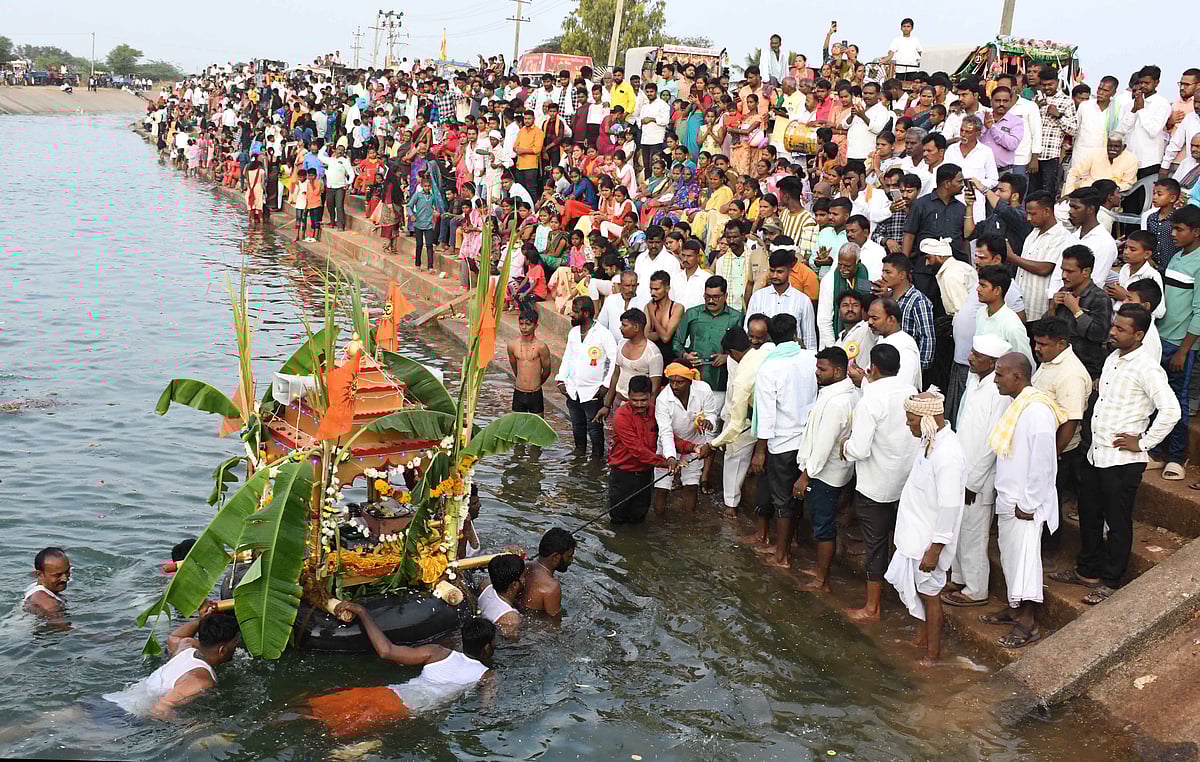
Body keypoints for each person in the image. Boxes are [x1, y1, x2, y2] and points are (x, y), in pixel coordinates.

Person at [1052, 306, 1180, 603]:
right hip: (1097, 455)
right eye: (1114, 326)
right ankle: (1088, 571)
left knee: (1117, 522)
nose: (1113, 332)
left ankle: (1111, 581)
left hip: (1123, 462)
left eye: (1121, 329)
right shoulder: (1113, 358)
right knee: (1089, 513)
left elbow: (1171, 410)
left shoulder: (1147, 367)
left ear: (1138, 335)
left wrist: (1144, 442)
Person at [981, 352, 1063, 649]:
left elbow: (1044, 463)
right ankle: (1014, 609)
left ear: (1018, 376)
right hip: (1010, 497)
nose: (995, 378)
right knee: (1010, 559)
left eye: (1000, 373)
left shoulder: (1036, 411)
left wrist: (1028, 503)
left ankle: (1027, 624)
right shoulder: (1019, 405)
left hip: (1025, 505)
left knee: (1026, 563)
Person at [307, 611, 495, 737]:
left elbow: (386, 650)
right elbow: (485, 711)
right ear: (487, 647)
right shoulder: (487, 675)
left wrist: (363, 613)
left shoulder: (437, 652)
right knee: (329, 736)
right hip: (402, 711)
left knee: (306, 710)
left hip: (386, 692)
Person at [884, 389, 966, 666]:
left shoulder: (948, 454)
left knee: (931, 596)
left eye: (912, 420)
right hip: (913, 535)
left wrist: (935, 549)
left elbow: (949, 507)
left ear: (928, 420)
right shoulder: (928, 442)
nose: (908, 424)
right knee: (919, 591)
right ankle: (920, 639)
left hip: (929, 542)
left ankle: (933, 655)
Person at [843, 343, 919, 621]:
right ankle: (903, 596)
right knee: (898, 540)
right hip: (907, 480)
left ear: (872, 369)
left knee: (875, 544)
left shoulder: (870, 401)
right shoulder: (911, 392)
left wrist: (845, 447)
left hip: (876, 484)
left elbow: (859, 449)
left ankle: (872, 607)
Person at [942, 335, 1011, 607]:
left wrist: (973, 481)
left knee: (973, 533)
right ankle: (959, 577)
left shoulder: (1000, 394)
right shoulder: (975, 380)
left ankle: (976, 589)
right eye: (972, 351)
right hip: (963, 467)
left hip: (979, 478)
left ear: (993, 363)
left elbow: (992, 443)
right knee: (958, 529)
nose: (970, 357)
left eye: (977, 355)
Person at [750, 314, 819, 568]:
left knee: (782, 501)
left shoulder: (769, 367)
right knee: (797, 497)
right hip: (807, 440)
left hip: (782, 443)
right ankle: (793, 544)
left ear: (769, 336)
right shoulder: (811, 358)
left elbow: (766, 414)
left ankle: (781, 555)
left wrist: (760, 451)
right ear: (795, 332)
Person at [103, 602, 240, 718]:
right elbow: (159, 710)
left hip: (112, 700)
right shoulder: (201, 681)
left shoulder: (187, 648)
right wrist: (195, 728)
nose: (237, 647)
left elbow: (174, 636)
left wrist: (201, 620)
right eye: (235, 643)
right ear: (222, 650)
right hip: (123, 717)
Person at [793, 346, 857, 592]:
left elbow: (823, 444)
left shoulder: (837, 402)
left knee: (823, 525)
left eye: (822, 369)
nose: (817, 373)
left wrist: (805, 475)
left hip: (824, 474)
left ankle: (822, 580)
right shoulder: (841, 393)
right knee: (822, 523)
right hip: (833, 470)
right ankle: (820, 570)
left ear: (838, 371)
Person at [1149, 206, 1200, 480]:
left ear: (1196, 232)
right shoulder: (1179, 257)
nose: (1173, 234)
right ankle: (1156, 451)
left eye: (1179, 229)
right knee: (1158, 398)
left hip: (1180, 346)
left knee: (1177, 402)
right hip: (1162, 338)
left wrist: (1184, 350)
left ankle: (1177, 459)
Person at [609, 374, 692, 524]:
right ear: (628, 397)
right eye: (635, 400)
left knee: (639, 515)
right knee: (618, 517)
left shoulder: (656, 411)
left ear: (650, 396)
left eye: (644, 400)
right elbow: (637, 449)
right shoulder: (621, 415)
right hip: (623, 474)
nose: (639, 404)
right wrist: (667, 463)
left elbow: (668, 436)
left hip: (645, 474)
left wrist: (693, 447)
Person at [711, 324, 774, 519]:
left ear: (733, 352)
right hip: (760, 412)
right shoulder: (767, 351)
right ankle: (733, 500)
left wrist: (712, 444)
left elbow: (735, 427)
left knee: (735, 453)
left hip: (748, 415)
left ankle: (730, 505)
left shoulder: (743, 377)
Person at [653, 364, 719, 514]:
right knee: (662, 486)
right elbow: (666, 432)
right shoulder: (663, 399)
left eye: (679, 382)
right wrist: (670, 457)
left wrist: (710, 422)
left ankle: (688, 522)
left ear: (690, 381)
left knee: (691, 484)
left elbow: (711, 414)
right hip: (669, 443)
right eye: (671, 381)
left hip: (695, 442)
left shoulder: (703, 389)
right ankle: (659, 521)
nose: (674, 386)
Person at [556, 296, 617, 456]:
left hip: (593, 391)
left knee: (595, 428)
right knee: (577, 424)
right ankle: (579, 451)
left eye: (575, 312)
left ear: (586, 313)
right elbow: (568, 356)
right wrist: (561, 380)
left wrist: (606, 384)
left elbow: (614, 360)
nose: (571, 314)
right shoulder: (574, 332)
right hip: (573, 389)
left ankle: (597, 458)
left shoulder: (603, 334)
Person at [674, 276, 744, 405]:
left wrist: (727, 357)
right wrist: (685, 355)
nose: (711, 301)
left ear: (725, 296)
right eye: (707, 296)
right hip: (694, 378)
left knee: (716, 420)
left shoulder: (736, 317)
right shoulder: (692, 314)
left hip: (722, 379)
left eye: (716, 297)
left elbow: (742, 349)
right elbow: (676, 342)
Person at [1050, 245, 1112, 379]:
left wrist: (1076, 311)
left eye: (1069, 271)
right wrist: (1052, 308)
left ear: (1086, 272)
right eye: (1062, 270)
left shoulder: (1099, 298)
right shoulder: (1063, 292)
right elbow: (1049, 329)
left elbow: (1099, 334)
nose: (1063, 276)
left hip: (1086, 371)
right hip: (1059, 365)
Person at [1010, 191, 1069, 323]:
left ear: (1047, 211)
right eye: (1028, 213)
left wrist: (1012, 258)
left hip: (1039, 310)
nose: (1028, 218)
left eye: (1033, 213)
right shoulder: (1033, 232)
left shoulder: (1061, 236)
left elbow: (1045, 268)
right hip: (1021, 306)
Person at [743, 249, 818, 349]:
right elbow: (747, 331)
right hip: (763, 358)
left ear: (790, 271)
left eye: (779, 272)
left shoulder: (803, 301)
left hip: (793, 358)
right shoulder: (757, 297)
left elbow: (809, 339)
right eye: (772, 271)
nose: (774, 275)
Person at [601, 308, 665, 414]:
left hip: (639, 408)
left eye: (625, 325)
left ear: (636, 327)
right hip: (618, 401)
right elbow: (615, 375)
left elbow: (654, 390)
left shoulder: (653, 353)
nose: (621, 328)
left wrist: (648, 416)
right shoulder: (621, 344)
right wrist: (607, 405)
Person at [879, 254, 934, 373]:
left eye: (888, 272)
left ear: (902, 275)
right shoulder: (887, 297)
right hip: (885, 364)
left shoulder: (918, 300)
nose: (883, 276)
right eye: (883, 271)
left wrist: (921, 368)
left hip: (908, 364)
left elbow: (927, 336)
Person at [521, 528, 576, 615]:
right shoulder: (551, 587)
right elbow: (554, 625)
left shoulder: (526, 566)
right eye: (569, 556)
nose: (571, 560)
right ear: (556, 557)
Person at [507, 308, 551, 414]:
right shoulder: (512, 345)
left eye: (528, 324)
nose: (524, 327)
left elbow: (547, 371)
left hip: (535, 394)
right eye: (521, 324)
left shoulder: (541, 347)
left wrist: (536, 383)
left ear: (535, 326)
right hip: (518, 392)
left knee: (537, 427)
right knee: (516, 427)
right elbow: (514, 367)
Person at [478, 553, 524, 640]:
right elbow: (513, 646)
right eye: (523, 576)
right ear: (514, 585)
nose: (525, 579)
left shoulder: (484, 586)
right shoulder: (511, 619)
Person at [24, 547, 71, 615]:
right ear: (39, 574)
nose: (65, 579)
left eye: (67, 572)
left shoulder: (33, 586)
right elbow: (60, 625)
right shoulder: (50, 605)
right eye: (57, 575)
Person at [408, 174, 438, 270]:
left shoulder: (432, 196)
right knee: (419, 244)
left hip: (428, 223)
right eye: (425, 186)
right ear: (422, 186)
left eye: (428, 186)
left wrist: (435, 212)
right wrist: (412, 215)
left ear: (431, 186)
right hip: (418, 223)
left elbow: (434, 207)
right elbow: (409, 206)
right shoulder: (418, 195)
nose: (427, 188)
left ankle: (430, 266)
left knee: (429, 244)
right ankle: (418, 264)